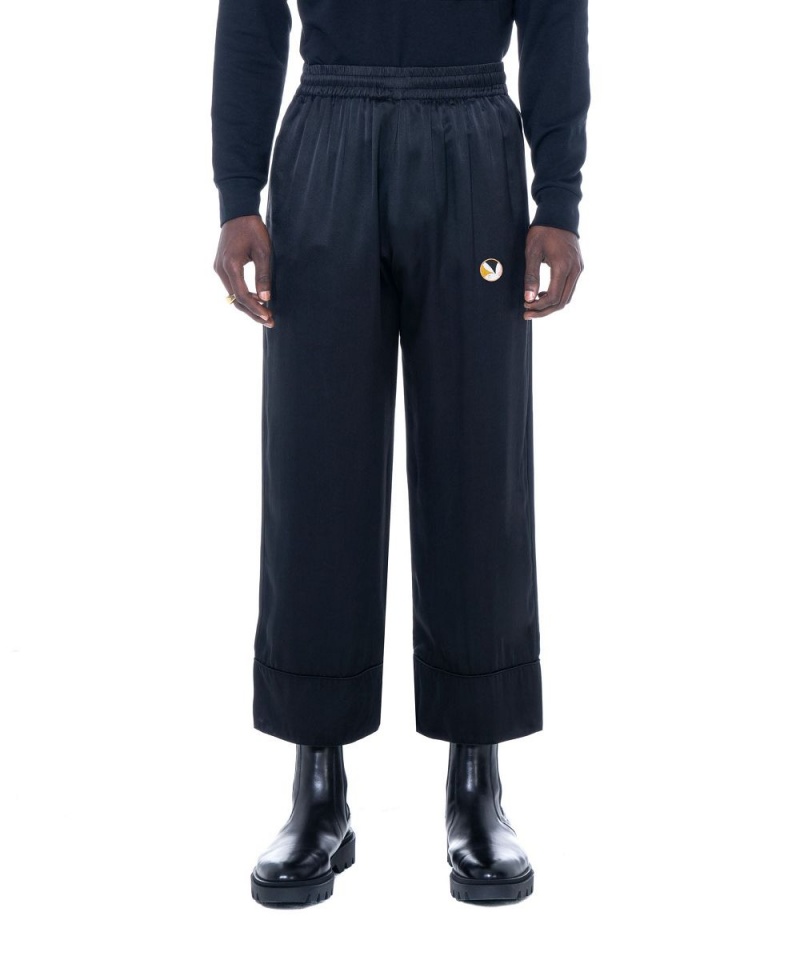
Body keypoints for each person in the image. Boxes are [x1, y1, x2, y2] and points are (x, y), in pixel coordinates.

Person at [211, 0, 590, 906]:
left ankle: (476, 781)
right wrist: (237, 195)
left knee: (477, 466)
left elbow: (554, 14)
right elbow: (252, 15)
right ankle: (317, 781)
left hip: (473, 131)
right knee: (315, 468)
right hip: (327, 134)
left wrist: (560, 199)